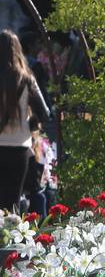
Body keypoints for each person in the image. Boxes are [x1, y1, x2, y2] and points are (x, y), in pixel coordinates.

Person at [0, 30, 49, 211]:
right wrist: (29, 121)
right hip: (19, 147)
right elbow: (45, 113)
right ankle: (9, 238)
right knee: (12, 203)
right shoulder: (26, 80)